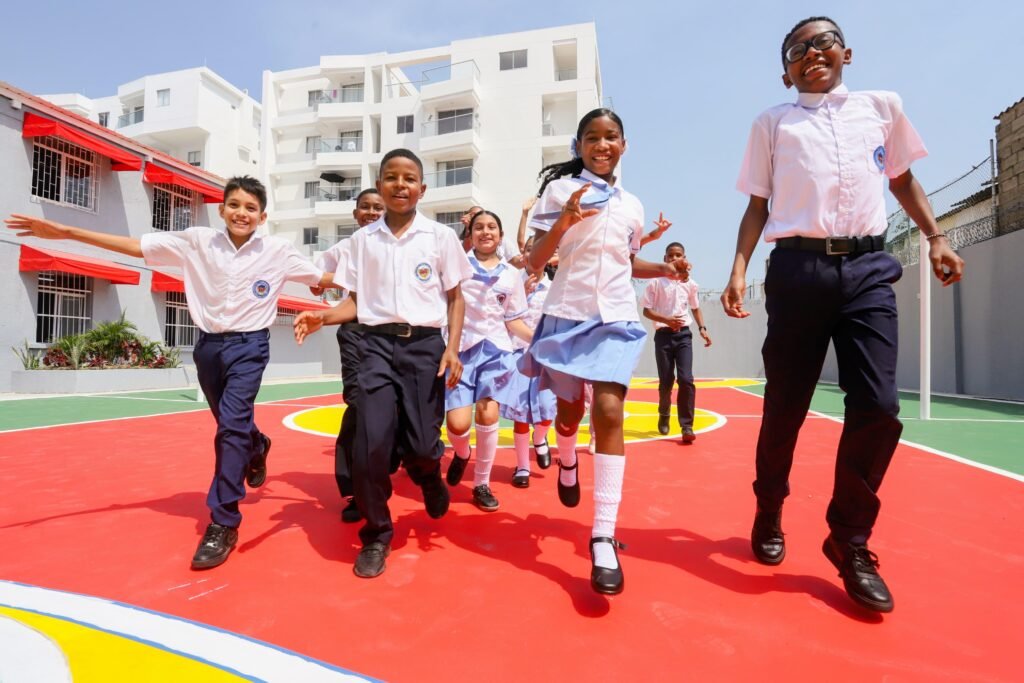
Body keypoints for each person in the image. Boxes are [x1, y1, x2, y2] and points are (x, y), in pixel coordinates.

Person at [722, 16, 965, 613]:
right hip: (797, 271)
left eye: (822, 42)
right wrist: (738, 269)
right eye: (796, 50)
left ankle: (849, 539)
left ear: (846, 53)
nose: (811, 53)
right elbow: (757, 205)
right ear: (786, 73)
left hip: (868, 270)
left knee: (878, 407)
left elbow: (902, 179)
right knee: (785, 408)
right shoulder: (773, 123)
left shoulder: (882, 107)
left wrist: (935, 237)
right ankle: (769, 505)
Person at [6, 176, 334, 570]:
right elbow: (136, 246)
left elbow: (323, 279)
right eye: (234, 205)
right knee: (231, 425)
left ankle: (224, 520)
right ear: (221, 210)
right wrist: (65, 232)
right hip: (208, 348)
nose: (241, 213)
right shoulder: (197, 241)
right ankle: (256, 444)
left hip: (250, 346)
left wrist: (369, 284)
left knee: (229, 429)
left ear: (262, 217)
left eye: (250, 208)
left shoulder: (277, 251)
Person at [525, 108, 688, 595]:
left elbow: (626, 260)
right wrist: (564, 222)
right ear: (578, 147)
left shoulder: (632, 205)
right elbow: (535, 259)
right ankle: (567, 459)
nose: (602, 145)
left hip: (616, 315)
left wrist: (664, 270)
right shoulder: (560, 192)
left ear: (624, 144)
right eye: (591, 138)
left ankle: (602, 536)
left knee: (610, 410)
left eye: (611, 136)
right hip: (568, 312)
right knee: (569, 413)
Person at [293, 148, 472, 579]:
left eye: (409, 178)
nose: (400, 185)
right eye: (391, 177)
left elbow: (455, 297)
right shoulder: (362, 241)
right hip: (374, 347)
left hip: (424, 347)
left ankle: (429, 475)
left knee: (422, 444)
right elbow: (354, 302)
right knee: (370, 444)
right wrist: (323, 317)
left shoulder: (440, 237)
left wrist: (452, 348)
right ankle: (377, 533)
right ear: (379, 185)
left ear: (422, 189)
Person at [444, 210, 532, 511]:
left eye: (492, 227)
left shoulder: (511, 275)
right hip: (460, 350)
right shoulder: (458, 268)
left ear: (500, 235)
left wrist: (538, 340)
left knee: (488, 413)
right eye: (479, 227)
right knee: (457, 424)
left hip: (496, 350)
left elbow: (513, 320)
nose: (486, 232)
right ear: (470, 235)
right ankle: (462, 452)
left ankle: (481, 483)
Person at [312, 189, 385, 523]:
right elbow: (316, 280)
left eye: (377, 207)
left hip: (392, 335)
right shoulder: (345, 248)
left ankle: (386, 466)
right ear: (355, 214)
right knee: (358, 405)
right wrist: (327, 281)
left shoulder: (401, 246)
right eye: (365, 207)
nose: (371, 212)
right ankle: (354, 488)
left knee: (392, 408)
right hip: (355, 330)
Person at [499, 235, 556, 488]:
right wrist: (521, 293)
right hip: (518, 353)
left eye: (541, 249)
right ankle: (522, 466)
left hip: (546, 356)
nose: (535, 254)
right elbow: (499, 317)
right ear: (524, 254)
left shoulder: (555, 288)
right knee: (520, 414)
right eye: (531, 249)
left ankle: (541, 438)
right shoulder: (511, 283)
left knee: (548, 408)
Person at [641, 242, 712, 443]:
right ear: (665, 259)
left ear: (684, 258)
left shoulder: (690, 284)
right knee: (666, 382)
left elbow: (695, 308)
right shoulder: (655, 282)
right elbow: (646, 310)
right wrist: (666, 320)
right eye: (670, 255)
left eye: (678, 255)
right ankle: (664, 414)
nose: (674, 258)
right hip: (663, 337)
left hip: (683, 336)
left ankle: (687, 426)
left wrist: (702, 328)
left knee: (686, 379)